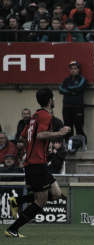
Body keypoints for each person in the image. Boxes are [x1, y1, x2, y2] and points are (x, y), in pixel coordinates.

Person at [5, 87, 71, 237]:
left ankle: (16, 201)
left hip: (38, 162)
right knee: (41, 201)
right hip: (36, 165)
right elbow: (40, 134)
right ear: (49, 100)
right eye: (53, 98)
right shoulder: (46, 116)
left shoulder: (35, 115)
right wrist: (59, 133)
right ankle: (12, 229)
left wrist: (41, 148)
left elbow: (23, 137)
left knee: (55, 194)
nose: (54, 100)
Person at [59, 61, 87, 144]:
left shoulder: (82, 79)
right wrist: (71, 91)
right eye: (71, 69)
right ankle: (68, 146)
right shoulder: (66, 80)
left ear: (78, 69)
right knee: (67, 128)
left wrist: (67, 89)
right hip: (66, 107)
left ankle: (82, 146)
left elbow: (78, 88)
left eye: (75, 68)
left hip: (77, 107)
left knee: (79, 128)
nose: (73, 70)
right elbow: (61, 89)